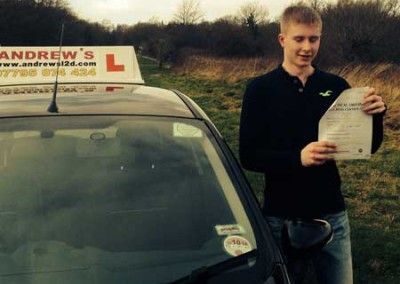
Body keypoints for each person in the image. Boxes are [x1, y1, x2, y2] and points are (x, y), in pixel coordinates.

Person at [239, 4, 386, 284]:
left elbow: (366, 146)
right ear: (282, 39)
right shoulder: (260, 89)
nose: (307, 47)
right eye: (299, 39)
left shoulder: (337, 86)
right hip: (280, 216)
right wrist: (298, 159)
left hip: (332, 213)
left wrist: (377, 115)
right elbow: (249, 155)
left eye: (313, 38)